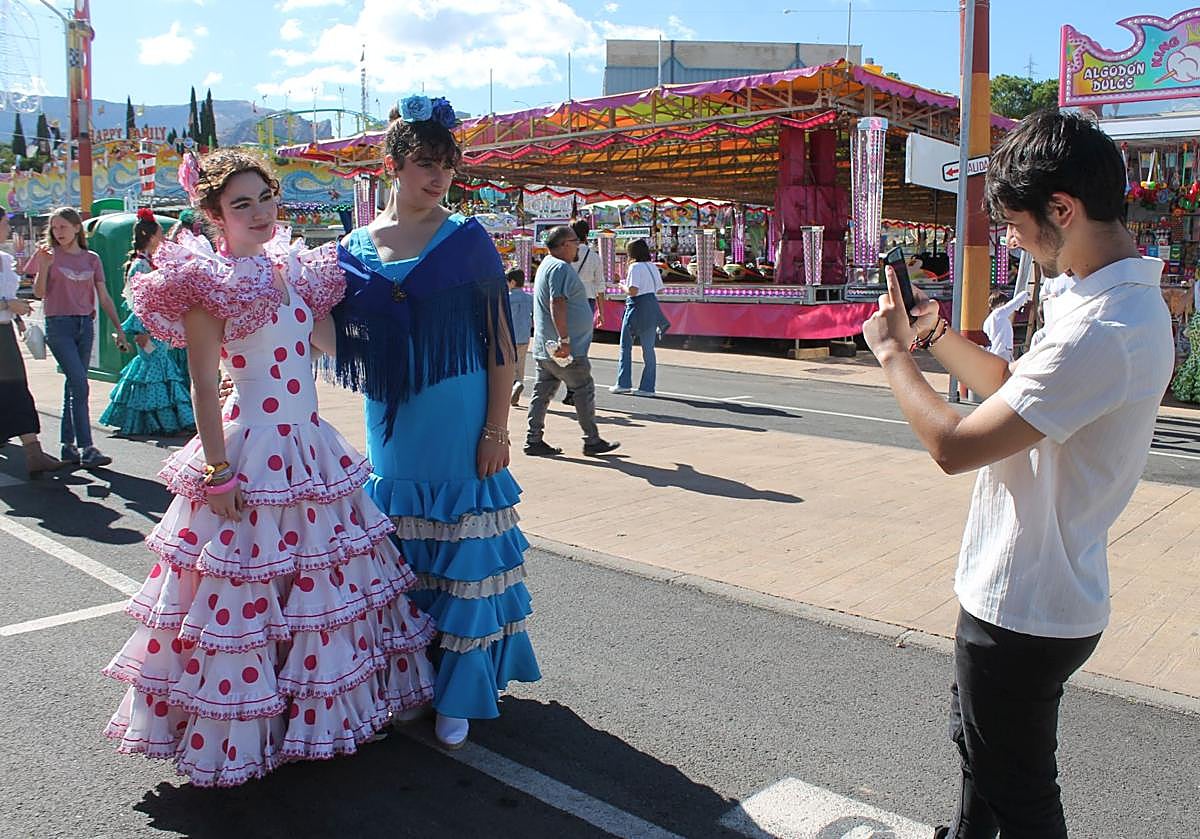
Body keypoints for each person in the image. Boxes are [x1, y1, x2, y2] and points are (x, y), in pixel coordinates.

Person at [861, 110, 1172, 838]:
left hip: (1024, 605)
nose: (1011, 240)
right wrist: (934, 334)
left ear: (1061, 208)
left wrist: (893, 355)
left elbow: (953, 445)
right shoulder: (1102, 297)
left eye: (1014, 224)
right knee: (983, 761)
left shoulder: (1103, 329)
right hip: (1036, 593)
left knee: (1020, 794)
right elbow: (1014, 387)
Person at [103, 148, 436, 787]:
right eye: (241, 204)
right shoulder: (208, 283)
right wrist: (218, 472)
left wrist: (388, 314)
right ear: (214, 216)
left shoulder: (294, 270)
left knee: (319, 593)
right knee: (247, 597)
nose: (259, 213)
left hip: (310, 447)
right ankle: (249, 732)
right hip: (251, 453)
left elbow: (328, 345)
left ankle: (311, 717)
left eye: (265, 198)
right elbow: (204, 386)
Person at [331, 96, 540, 750]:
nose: (439, 178)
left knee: (463, 556)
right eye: (426, 163)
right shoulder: (350, 249)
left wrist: (497, 429)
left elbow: (499, 343)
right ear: (392, 166)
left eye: (447, 166)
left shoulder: (469, 240)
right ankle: (412, 681)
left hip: (461, 417)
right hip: (392, 423)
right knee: (399, 557)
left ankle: (460, 691)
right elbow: (336, 339)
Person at [32, 206, 130, 468]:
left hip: (85, 325)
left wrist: (119, 329)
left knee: (73, 386)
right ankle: (87, 447)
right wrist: (44, 266)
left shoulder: (92, 259)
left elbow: (104, 296)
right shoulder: (49, 256)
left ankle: (68, 445)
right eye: (54, 227)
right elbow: (39, 293)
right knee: (80, 383)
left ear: (77, 228)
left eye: (63, 226)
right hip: (59, 326)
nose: (58, 232)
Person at [525, 225, 620, 457]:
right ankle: (592, 440)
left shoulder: (547, 265)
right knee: (583, 389)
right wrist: (565, 340)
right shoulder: (560, 268)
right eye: (576, 241)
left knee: (542, 392)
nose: (579, 245)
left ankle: (533, 439)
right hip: (565, 349)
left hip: (546, 346)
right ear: (564, 244)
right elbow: (557, 302)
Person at [99, 209, 194, 436]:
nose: (163, 238)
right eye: (160, 234)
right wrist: (140, 331)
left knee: (153, 369)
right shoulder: (140, 265)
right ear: (149, 236)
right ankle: (166, 421)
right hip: (149, 328)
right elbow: (137, 302)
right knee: (157, 369)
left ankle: (153, 420)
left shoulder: (149, 262)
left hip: (158, 326)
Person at [0, 207, 67, 477]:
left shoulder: (4, 259)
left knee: (16, 388)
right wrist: (8, 305)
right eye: (5, 223)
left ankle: (34, 452)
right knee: (14, 388)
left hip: (4, 332)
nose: (8, 229)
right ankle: (33, 452)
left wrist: (15, 312)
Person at [611, 237, 669, 396]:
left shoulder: (634, 267)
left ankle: (623, 383)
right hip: (651, 307)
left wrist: (621, 285)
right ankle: (647, 387)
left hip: (636, 308)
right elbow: (660, 290)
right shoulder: (652, 266)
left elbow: (633, 291)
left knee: (626, 346)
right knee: (648, 349)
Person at [562, 218, 605, 407]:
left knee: (565, 344)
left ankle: (571, 388)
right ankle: (578, 388)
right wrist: (602, 312)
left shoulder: (564, 254)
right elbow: (600, 286)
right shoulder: (594, 257)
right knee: (582, 346)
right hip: (587, 302)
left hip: (567, 300)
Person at [980, 288, 1030, 362]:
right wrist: (1024, 294)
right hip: (1003, 350)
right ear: (1001, 303)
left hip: (996, 350)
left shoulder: (987, 321)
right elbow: (1013, 304)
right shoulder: (999, 313)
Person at [507, 267, 533, 406]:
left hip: (509, 336)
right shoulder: (529, 298)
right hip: (524, 335)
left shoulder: (507, 298)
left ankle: (513, 386)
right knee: (520, 363)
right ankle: (519, 383)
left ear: (512, 282)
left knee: (509, 364)